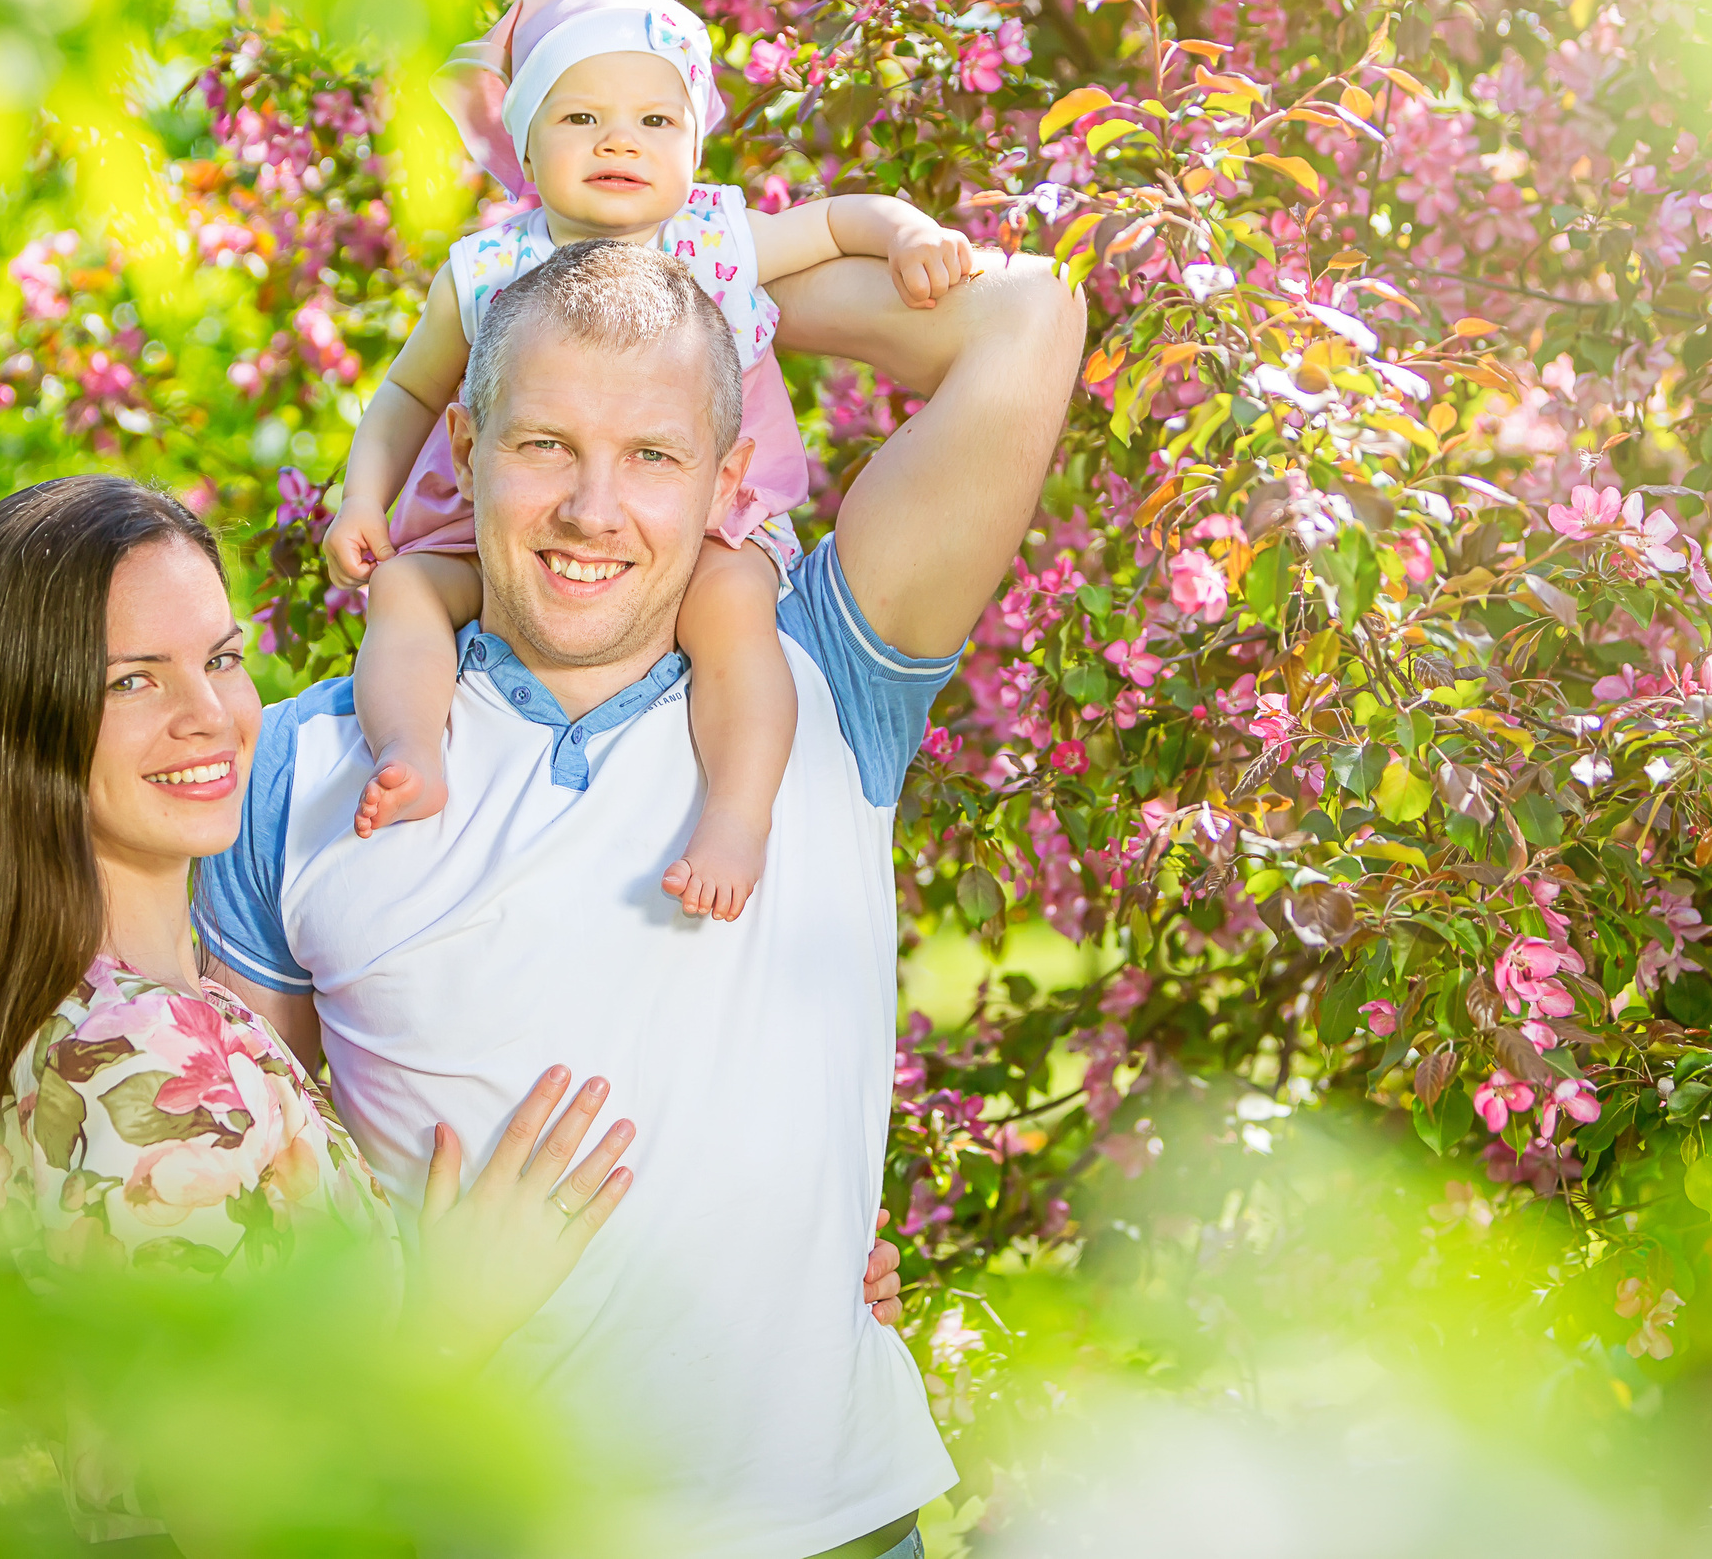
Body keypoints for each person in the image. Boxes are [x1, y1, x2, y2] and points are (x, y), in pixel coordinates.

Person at [202, 240, 1086, 1557]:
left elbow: (1029, 312)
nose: (592, 509)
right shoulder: (294, 769)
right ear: (468, 439)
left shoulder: (820, 684)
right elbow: (241, 1232)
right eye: (545, 442)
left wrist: (691, 282)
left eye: (656, 455)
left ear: (732, 478)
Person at [0, 475, 905, 1547]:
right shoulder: (146, 1057)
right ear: (14, 712)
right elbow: (234, 1493)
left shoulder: (127, 1016)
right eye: (131, 680)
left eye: (220, 659)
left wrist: (776, 1259)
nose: (210, 715)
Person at [322, 0, 976, 923]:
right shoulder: (487, 269)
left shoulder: (713, 240)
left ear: (692, 143)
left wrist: (911, 233)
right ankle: (412, 749)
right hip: (497, 519)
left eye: (656, 122)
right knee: (405, 594)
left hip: (699, 524)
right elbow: (409, 392)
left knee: (737, 622)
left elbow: (838, 220)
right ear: (527, 145)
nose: (620, 141)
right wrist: (361, 498)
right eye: (581, 116)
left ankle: (739, 815)